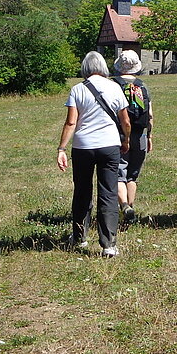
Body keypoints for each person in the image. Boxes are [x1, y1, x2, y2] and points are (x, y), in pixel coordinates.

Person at [56, 51, 130, 257]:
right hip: (110, 146)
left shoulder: (77, 89)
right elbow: (125, 121)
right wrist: (126, 139)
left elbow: (71, 122)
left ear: (85, 68)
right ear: (104, 68)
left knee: (82, 192)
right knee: (108, 192)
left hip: (83, 147)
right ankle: (109, 244)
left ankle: (80, 237)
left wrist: (61, 148)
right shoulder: (115, 88)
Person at [112, 50, 153, 226]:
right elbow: (149, 114)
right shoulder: (142, 86)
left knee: (118, 174)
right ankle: (130, 210)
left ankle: (124, 206)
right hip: (140, 134)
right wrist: (149, 135)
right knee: (132, 176)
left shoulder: (113, 85)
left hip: (118, 135)